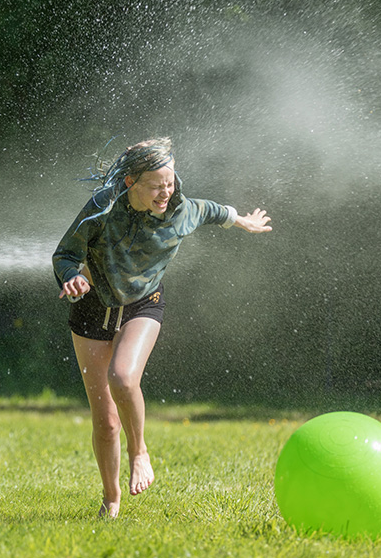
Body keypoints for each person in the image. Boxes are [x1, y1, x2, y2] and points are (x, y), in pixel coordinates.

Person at [52, 138, 272, 518]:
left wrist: (243, 220)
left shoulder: (181, 210)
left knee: (122, 378)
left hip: (143, 304)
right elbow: (65, 254)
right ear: (130, 183)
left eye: (169, 183)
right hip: (91, 309)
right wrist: (71, 276)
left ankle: (140, 452)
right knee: (105, 422)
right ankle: (111, 500)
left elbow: (212, 210)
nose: (165, 192)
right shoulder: (102, 208)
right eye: (155, 185)